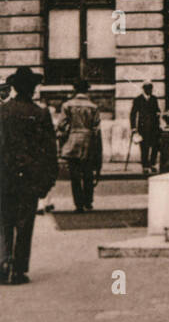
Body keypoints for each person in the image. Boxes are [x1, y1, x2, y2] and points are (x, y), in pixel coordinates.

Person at [0, 66, 58, 284]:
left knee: (4, 221)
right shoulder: (40, 113)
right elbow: (50, 150)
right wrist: (49, 179)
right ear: (32, 89)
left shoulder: (2, 112)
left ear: (14, 87)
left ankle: (3, 263)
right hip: (30, 177)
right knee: (25, 223)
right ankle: (18, 269)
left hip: (4, 176)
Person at [57, 79, 102, 213]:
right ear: (87, 90)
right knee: (88, 173)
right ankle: (88, 201)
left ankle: (79, 204)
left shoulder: (67, 105)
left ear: (75, 90)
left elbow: (61, 125)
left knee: (75, 175)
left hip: (73, 142)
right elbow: (97, 128)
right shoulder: (93, 107)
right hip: (89, 143)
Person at [130, 82, 161, 175]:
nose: (149, 91)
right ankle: (145, 166)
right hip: (143, 128)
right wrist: (133, 128)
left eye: (151, 89)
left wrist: (158, 113)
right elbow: (133, 114)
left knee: (155, 146)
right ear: (144, 89)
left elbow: (157, 110)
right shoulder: (138, 99)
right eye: (147, 89)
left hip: (154, 127)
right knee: (144, 147)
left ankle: (152, 164)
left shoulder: (154, 99)